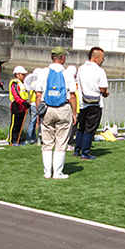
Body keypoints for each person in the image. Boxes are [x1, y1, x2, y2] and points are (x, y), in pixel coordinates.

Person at [34, 46, 78, 179]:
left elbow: (38, 94)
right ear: (63, 57)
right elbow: (72, 95)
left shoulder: (43, 73)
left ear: (51, 57)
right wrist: (74, 113)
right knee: (61, 141)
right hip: (63, 108)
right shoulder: (67, 74)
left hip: (47, 108)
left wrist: (38, 112)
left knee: (47, 142)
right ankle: (57, 172)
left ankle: (47, 172)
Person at [75, 47, 109, 159]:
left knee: (82, 127)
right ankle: (85, 152)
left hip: (83, 102)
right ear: (96, 58)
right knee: (90, 128)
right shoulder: (100, 71)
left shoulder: (81, 68)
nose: (103, 60)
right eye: (102, 58)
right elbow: (103, 88)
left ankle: (77, 150)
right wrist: (105, 93)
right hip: (95, 103)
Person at [9, 66, 29, 145]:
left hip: (23, 106)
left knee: (20, 123)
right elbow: (16, 95)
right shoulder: (14, 83)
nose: (24, 76)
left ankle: (19, 139)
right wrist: (22, 102)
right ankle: (12, 139)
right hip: (16, 105)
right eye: (22, 74)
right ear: (17, 74)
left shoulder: (22, 83)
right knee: (15, 123)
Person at [23, 68, 41, 144]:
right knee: (33, 122)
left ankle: (33, 138)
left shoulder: (32, 83)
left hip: (31, 105)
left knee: (32, 121)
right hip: (35, 104)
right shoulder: (37, 83)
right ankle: (28, 138)